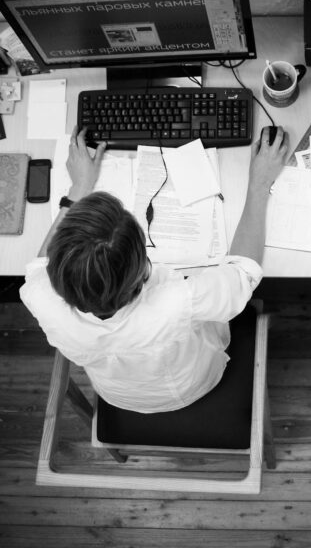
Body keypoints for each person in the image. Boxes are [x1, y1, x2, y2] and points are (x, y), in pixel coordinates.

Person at [20, 125, 288, 413]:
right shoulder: (176, 302)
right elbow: (243, 273)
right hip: (191, 385)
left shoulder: (38, 296)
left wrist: (78, 189)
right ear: (141, 268)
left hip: (116, 394)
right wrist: (260, 183)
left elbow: (40, 264)